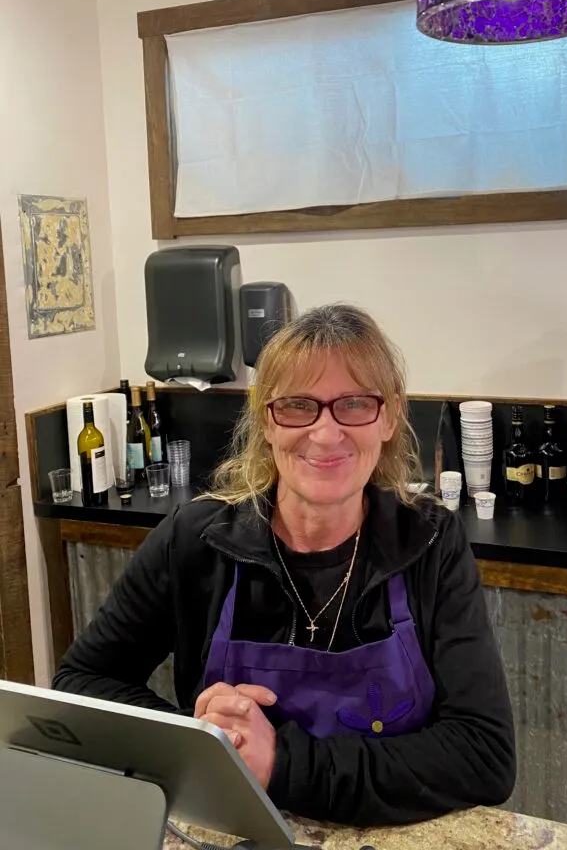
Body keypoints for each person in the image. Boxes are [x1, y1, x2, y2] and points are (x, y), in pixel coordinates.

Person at [53, 304, 515, 825]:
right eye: (297, 406)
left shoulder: (429, 543)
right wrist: (201, 738)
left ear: (389, 418)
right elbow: (81, 683)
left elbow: (484, 755)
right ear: (265, 421)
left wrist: (282, 762)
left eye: (355, 404)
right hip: (233, 826)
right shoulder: (196, 540)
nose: (326, 433)